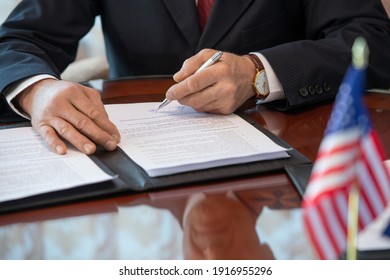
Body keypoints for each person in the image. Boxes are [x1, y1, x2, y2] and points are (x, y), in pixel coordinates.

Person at [0, 0, 389, 155]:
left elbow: (371, 40)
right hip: (132, 151)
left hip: (282, 147)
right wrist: (37, 88)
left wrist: (259, 73)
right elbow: (18, 39)